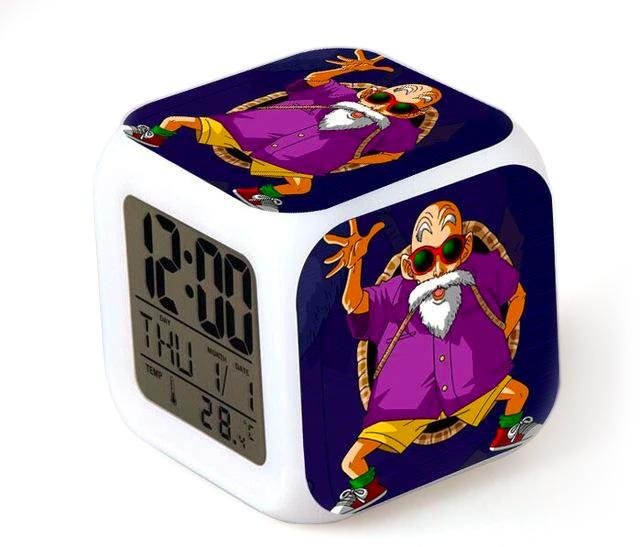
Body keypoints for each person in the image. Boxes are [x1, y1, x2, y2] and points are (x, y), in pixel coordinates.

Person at [323, 201, 536, 514]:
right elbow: (355, 305)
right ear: (410, 266)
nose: (438, 269)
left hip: (473, 384)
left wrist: (504, 332)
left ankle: (509, 431)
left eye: (449, 251)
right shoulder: (397, 292)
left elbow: (518, 294)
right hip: (407, 400)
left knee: (519, 393)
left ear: (464, 248)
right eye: (425, 260)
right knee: (350, 462)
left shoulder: (480, 272)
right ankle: (367, 488)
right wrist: (356, 268)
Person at [124, 49, 441, 212]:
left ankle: (258, 194)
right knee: (181, 120)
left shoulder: (397, 130)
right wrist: (344, 70)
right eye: (383, 98)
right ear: (371, 92)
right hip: (266, 127)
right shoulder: (343, 94)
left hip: (310, 154)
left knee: (300, 188)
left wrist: (354, 159)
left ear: (413, 113)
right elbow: (309, 83)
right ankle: (154, 135)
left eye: (403, 107)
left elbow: (393, 155)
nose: (387, 107)